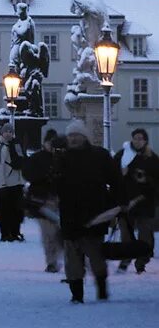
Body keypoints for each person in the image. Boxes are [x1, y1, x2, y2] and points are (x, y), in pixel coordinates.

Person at [55, 120, 121, 303]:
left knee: (96, 256)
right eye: (70, 135)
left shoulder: (100, 156)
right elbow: (55, 184)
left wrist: (116, 204)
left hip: (94, 215)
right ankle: (77, 295)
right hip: (69, 215)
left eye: (76, 135)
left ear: (84, 137)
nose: (73, 138)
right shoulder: (62, 158)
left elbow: (115, 180)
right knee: (72, 259)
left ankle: (101, 288)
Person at [114, 127, 159, 273]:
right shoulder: (122, 155)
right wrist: (121, 174)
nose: (137, 141)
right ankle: (125, 260)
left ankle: (141, 263)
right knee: (126, 234)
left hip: (145, 202)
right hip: (125, 202)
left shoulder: (151, 157)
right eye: (135, 138)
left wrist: (146, 179)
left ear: (145, 141)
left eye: (140, 138)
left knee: (144, 235)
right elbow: (112, 176)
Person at [22, 128, 63, 272]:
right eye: (49, 142)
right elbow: (27, 174)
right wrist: (44, 176)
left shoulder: (62, 158)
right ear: (44, 143)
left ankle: (60, 257)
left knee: (61, 232)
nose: (51, 145)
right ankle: (51, 261)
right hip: (43, 201)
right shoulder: (37, 158)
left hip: (60, 200)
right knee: (48, 233)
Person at [0, 123, 26, 242]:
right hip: (7, 184)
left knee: (17, 211)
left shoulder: (15, 146)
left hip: (17, 183)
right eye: (6, 132)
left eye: (10, 132)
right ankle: (5, 233)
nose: (8, 134)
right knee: (5, 211)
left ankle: (15, 232)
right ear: (1, 133)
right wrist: (1, 184)